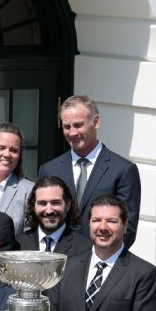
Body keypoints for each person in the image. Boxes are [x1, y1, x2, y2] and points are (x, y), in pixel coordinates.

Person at [37, 95, 141, 247]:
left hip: (99, 261)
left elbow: (127, 228)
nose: (72, 133)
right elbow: (40, 218)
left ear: (96, 122)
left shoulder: (123, 170)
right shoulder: (49, 169)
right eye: (67, 127)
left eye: (78, 125)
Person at [16, 176, 92, 257]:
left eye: (55, 203)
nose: (49, 211)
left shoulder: (85, 248)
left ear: (68, 204)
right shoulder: (17, 245)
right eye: (42, 203)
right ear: (33, 206)